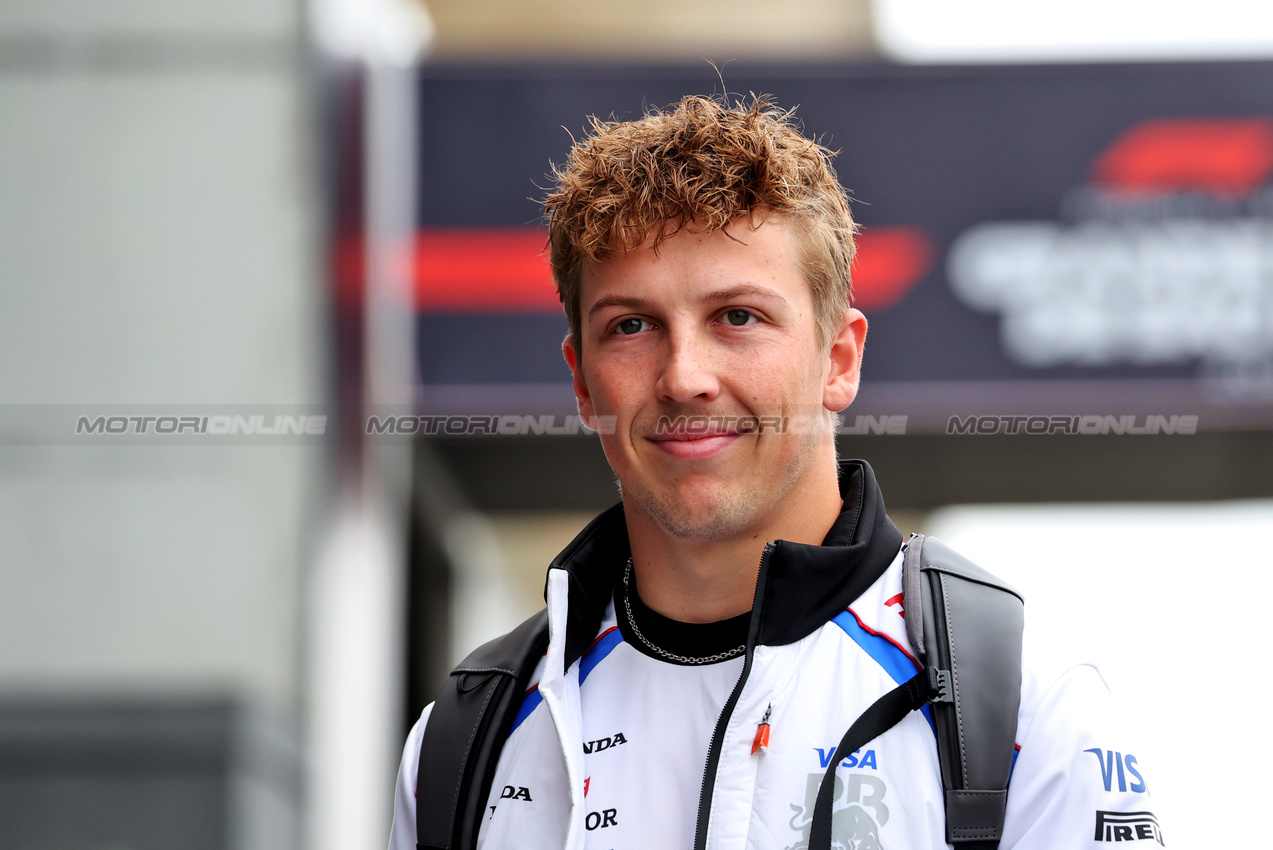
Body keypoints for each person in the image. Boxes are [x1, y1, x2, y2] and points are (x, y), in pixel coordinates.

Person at [390, 95, 1164, 849]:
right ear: (583, 381)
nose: (684, 377)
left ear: (838, 359)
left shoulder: (1026, 709)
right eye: (631, 326)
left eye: (738, 318)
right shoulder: (459, 743)